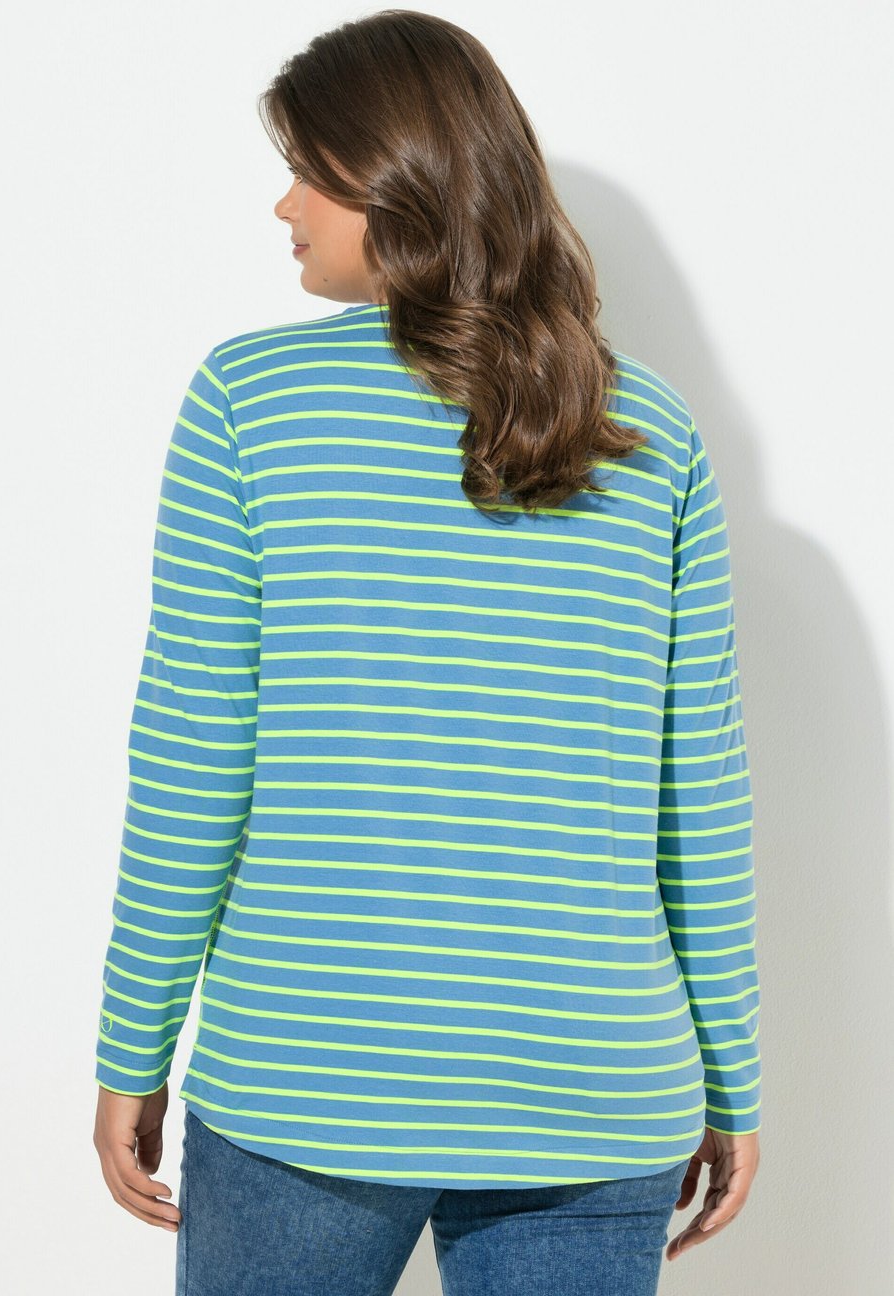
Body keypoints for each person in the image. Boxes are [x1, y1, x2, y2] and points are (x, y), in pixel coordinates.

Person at [92, 10, 761, 1294]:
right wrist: (731, 1075)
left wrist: (134, 1044)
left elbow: (192, 760)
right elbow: (702, 795)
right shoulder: (648, 426)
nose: (283, 203)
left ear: (393, 176)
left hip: (308, 1080)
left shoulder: (249, 403)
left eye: (308, 169)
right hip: (598, 1089)